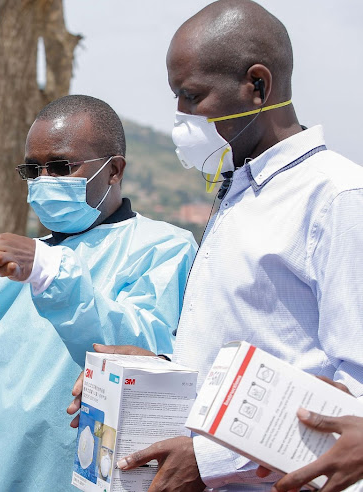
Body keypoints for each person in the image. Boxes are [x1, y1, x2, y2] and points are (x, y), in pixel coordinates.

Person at [68, 1, 363, 490]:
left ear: (258, 86)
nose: (180, 114)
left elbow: (354, 404)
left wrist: (211, 457)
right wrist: (158, 373)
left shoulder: (335, 198)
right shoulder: (241, 190)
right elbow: (260, 349)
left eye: (192, 95)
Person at [0, 95, 197, 491]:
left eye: (61, 167)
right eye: (33, 170)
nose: (44, 181)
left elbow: (141, 356)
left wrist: (48, 270)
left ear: (114, 170)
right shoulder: (4, 275)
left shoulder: (162, 249)